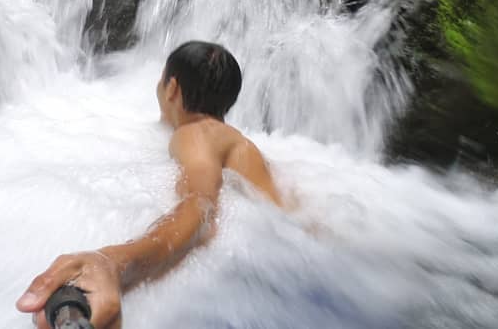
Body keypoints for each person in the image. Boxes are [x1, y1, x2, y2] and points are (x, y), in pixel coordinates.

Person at [16, 41, 298, 329]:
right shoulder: (234, 140)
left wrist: (114, 263)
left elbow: (201, 206)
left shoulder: (194, 135)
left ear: (172, 88)